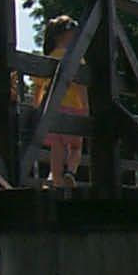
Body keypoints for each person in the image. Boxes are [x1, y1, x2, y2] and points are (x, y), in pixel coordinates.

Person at [32, 14, 86, 187]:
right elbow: (82, 87)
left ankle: (56, 179)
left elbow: (38, 86)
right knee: (76, 147)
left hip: (53, 109)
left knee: (57, 147)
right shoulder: (77, 58)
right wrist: (86, 109)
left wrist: (37, 107)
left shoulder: (48, 58)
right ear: (67, 35)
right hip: (74, 109)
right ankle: (70, 172)